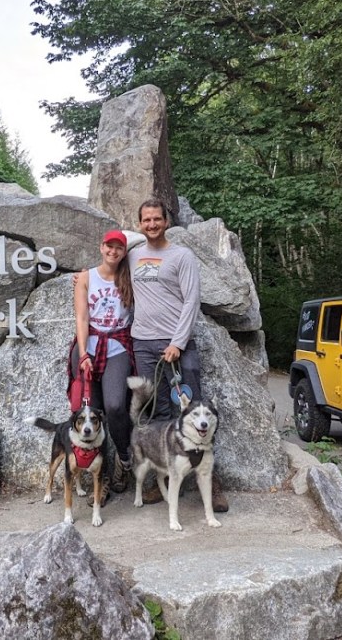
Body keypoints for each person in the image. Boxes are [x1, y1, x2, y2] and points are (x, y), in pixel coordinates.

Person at [127, 198, 227, 511]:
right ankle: (166, 481)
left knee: (194, 409)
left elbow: (191, 301)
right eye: (146, 220)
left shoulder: (181, 256)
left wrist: (178, 342)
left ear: (166, 221)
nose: (152, 224)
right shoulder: (134, 255)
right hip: (143, 342)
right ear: (140, 224)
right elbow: (107, 258)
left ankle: (212, 483)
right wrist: (82, 278)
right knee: (157, 412)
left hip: (177, 345)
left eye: (157, 219)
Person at [68, 229, 136, 501]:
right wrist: (83, 354)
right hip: (90, 345)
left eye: (119, 247)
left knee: (115, 406)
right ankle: (102, 476)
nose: (113, 251)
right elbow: (82, 319)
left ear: (124, 251)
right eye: (109, 246)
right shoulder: (86, 277)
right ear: (101, 247)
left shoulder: (130, 276)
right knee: (87, 412)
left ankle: (124, 458)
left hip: (118, 344)